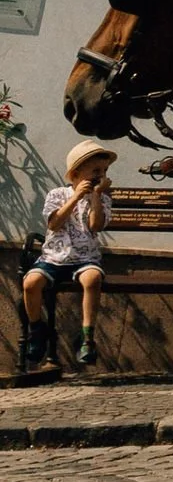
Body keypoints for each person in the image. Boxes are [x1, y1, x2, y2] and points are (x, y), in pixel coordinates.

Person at [23, 140, 116, 369]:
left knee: (92, 279)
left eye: (104, 171)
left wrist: (95, 196)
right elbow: (54, 224)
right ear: (76, 173)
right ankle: (36, 329)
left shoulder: (102, 199)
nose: (100, 175)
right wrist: (75, 198)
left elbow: (95, 226)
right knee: (30, 283)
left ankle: (87, 337)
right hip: (54, 257)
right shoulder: (57, 194)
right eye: (95, 171)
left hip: (85, 259)